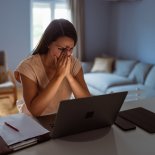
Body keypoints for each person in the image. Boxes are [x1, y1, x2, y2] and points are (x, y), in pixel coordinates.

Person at [14, 18, 91, 116]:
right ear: (48, 43)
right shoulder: (28, 66)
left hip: (58, 118)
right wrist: (59, 76)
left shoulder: (74, 63)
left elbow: (87, 103)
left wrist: (68, 76)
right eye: (61, 49)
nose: (67, 54)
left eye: (71, 49)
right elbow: (35, 111)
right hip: (33, 122)